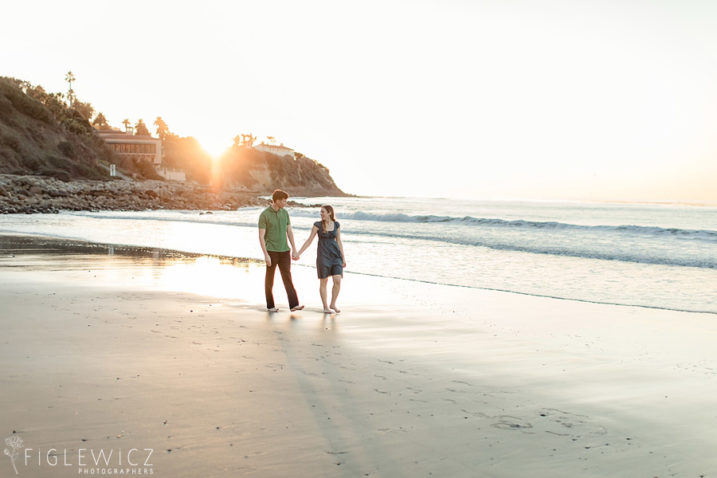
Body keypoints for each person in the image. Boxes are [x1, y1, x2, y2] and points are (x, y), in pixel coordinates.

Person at [258, 189, 303, 312]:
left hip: (284, 251)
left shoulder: (285, 213)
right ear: (277, 200)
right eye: (283, 201)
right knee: (270, 279)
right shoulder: (264, 215)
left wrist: (294, 249)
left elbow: (289, 232)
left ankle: (294, 305)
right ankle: (270, 306)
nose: (285, 203)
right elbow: (261, 236)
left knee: (287, 277)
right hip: (271, 251)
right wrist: (266, 255)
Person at [296, 205, 346, 313]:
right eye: (321, 212)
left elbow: (339, 241)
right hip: (323, 256)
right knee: (324, 281)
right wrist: (299, 253)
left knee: (337, 280)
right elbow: (309, 241)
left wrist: (343, 257)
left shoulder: (336, 225)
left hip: (336, 255)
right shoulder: (317, 225)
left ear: (329, 213)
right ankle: (325, 307)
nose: (321, 214)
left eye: (323, 212)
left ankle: (332, 304)